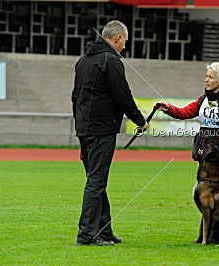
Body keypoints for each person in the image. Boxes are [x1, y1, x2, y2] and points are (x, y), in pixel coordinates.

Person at [71, 20, 148, 246]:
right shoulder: (111, 60)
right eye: (124, 41)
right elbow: (122, 95)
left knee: (96, 181)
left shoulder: (83, 60)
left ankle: (104, 231)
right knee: (96, 182)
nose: (124, 46)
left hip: (85, 129)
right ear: (117, 39)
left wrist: (79, 127)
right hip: (102, 129)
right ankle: (86, 235)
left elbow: (75, 97)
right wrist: (140, 120)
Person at [158, 62, 219, 244]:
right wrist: (169, 109)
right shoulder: (202, 99)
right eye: (207, 76)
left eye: (210, 77)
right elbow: (185, 112)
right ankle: (205, 236)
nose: (206, 79)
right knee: (205, 194)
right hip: (205, 153)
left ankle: (217, 235)